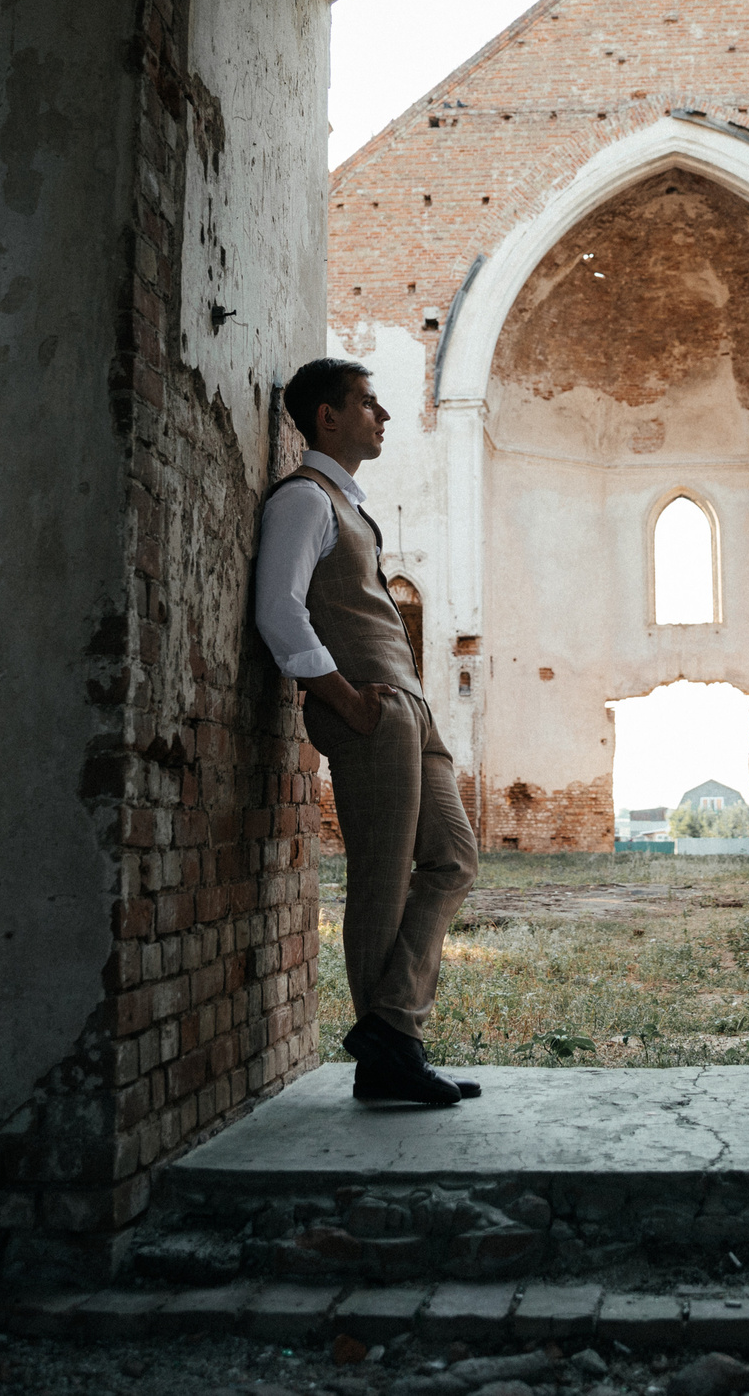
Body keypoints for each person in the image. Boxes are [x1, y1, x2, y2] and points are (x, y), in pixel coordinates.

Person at [256, 357, 480, 1107]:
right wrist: (347, 702)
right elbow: (278, 611)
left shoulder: (350, 504)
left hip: (412, 710)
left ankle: (387, 1027)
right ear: (326, 416)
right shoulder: (304, 500)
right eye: (367, 403)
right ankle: (392, 1052)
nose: (382, 417)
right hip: (369, 711)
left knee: (453, 856)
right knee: (382, 881)